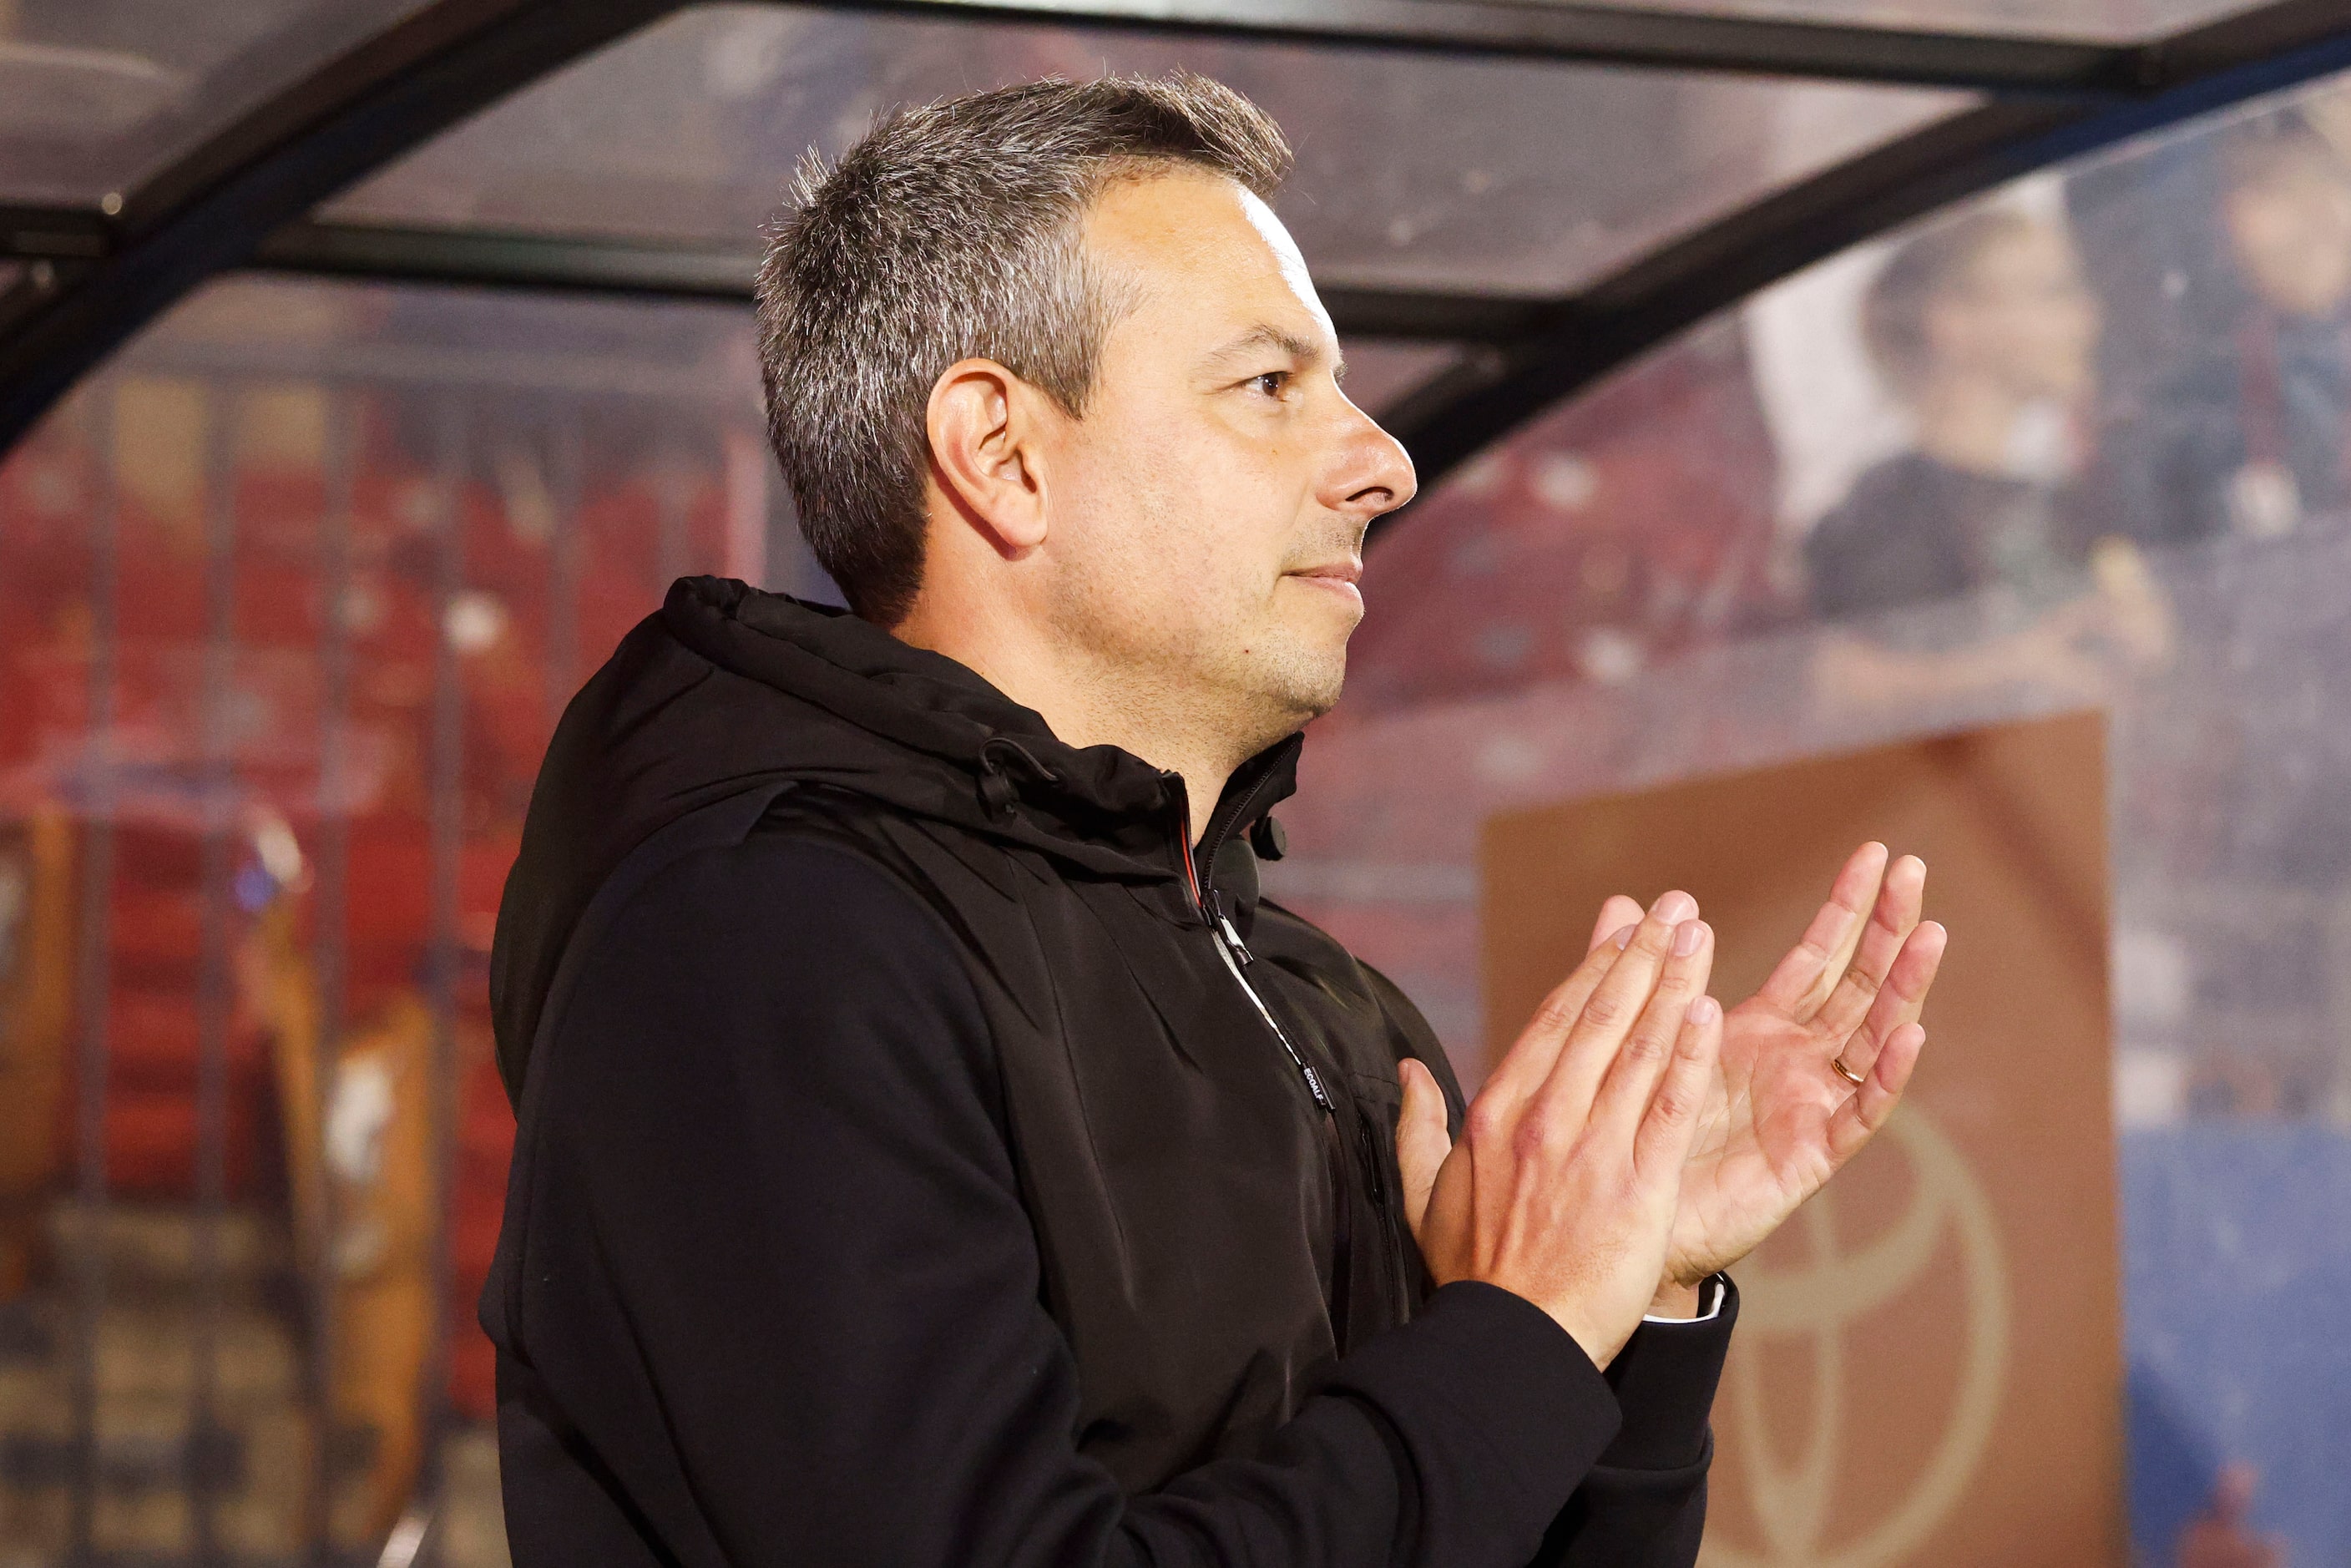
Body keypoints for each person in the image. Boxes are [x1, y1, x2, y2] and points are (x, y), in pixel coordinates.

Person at [484, 74, 1945, 1567]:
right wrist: (1517, 1331)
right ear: (1000, 453)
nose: (1383, 461)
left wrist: (1629, 1299)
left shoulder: (1327, 1008)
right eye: (1268, 386)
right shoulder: (760, 947)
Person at [1805, 208, 2172, 710]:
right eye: (2053, 292)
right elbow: (1842, 688)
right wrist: (2010, 670)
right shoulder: (1890, 511)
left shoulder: (2059, 501)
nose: (2089, 315)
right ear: (1955, 324)